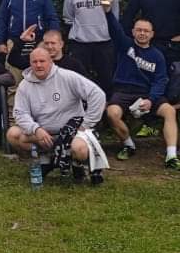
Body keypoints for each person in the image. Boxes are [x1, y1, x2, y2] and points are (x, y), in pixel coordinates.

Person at [99, 0, 180, 171]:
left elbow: (160, 80)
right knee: (112, 113)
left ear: (152, 34)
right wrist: (107, 12)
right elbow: (115, 29)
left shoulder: (157, 56)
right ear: (133, 32)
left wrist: (151, 100)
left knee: (169, 111)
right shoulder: (125, 45)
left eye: (146, 31)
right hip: (124, 91)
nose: (142, 33)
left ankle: (171, 156)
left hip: (147, 93)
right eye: (139, 30)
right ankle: (128, 145)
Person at [7, 48, 108, 184]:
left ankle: (78, 164)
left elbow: (97, 95)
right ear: (30, 63)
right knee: (13, 134)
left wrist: (87, 123)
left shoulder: (67, 76)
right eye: (34, 62)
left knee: (79, 149)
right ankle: (46, 160)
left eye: (42, 61)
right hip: (45, 134)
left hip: (72, 133)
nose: (38, 65)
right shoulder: (24, 85)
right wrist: (36, 129)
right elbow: (20, 113)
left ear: (51, 62)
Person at [0, 0, 60, 88]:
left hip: (38, 42)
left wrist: (52, 40)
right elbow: (1, 18)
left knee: (40, 80)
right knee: (14, 81)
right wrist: (0, 42)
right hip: (14, 41)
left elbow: (52, 17)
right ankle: (13, 101)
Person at [62, 0, 119, 93]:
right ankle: (81, 105)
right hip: (80, 43)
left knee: (107, 79)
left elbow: (114, 15)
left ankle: (107, 105)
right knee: (79, 79)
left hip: (104, 42)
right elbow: (68, 17)